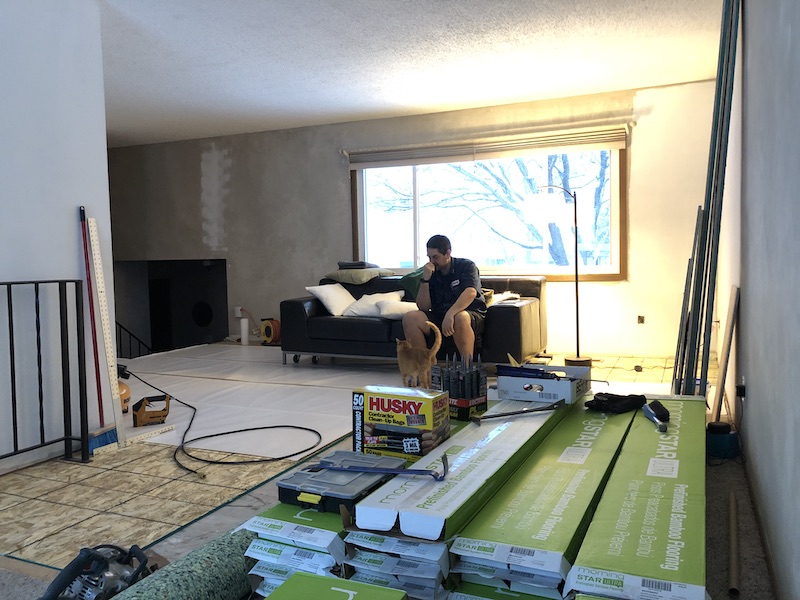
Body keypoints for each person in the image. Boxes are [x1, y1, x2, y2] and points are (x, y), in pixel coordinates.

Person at [402, 234, 487, 359]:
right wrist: (425, 280)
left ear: (447, 254)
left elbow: (470, 292)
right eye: (429, 257)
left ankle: (467, 369)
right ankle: (424, 367)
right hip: (440, 315)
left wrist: (450, 314)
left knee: (460, 317)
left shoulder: (466, 266)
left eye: (435, 257)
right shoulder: (431, 272)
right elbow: (423, 307)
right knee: (410, 318)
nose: (432, 261)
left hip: (469, 314)